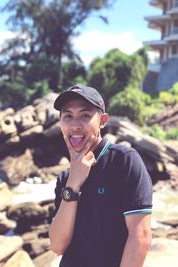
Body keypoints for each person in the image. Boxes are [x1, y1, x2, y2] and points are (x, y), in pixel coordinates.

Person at [49, 84, 152, 267]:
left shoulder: (124, 161)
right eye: (68, 116)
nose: (75, 125)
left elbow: (140, 237)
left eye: (85, 116)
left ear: (103, 120)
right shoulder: (65, 178)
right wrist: (73, 184)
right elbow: (57, 246)